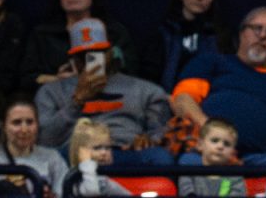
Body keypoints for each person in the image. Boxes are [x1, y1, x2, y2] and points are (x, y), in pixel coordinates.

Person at [170, 7, 266, 163]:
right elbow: (182, 100)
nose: (262, 35)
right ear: (242, 34)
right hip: (211, 155)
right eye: (256, 28)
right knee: (189, 162)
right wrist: (214, 134)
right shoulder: (212, 62)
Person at [34, 19, 173, 167]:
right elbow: (45, 140)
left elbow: (161, 131)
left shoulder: (146, 90)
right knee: (54, 160)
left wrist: (150, 139)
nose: (90, 61)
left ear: (111, 53)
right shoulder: (51, 91)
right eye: (83, 56)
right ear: (74, 59)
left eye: (97, 53)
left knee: (160, 157)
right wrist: (76, 102)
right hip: (74, 155)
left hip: (126, 151)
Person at [21, 0, 137, 94]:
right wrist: (56, 79)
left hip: (109, 98)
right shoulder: (42, 35)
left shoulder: (115, 32)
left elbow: (131, 74)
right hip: (58, 100)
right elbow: (26, 79)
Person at [0, 96, 69, 197]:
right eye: (17, 123)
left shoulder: (52, 158)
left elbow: (66, 193)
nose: (24, 129)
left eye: (30, 122)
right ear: (4, 126)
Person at [139, 0, 229, 93]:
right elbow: (148, 78)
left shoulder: (219, 36)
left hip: (208, 103)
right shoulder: (163, 33)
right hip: (166, 102)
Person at [177, 118, 245, 197]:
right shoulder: (188, 172)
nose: (220, 146)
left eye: (227, 144)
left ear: (232, 152)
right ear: (200, 145)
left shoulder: (235, 178)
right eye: (214, 140)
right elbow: (186, 192)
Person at [63, 118, 130, 196]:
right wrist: (87, 163)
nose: (104, 152)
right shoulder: (75, 178)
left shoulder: (106, 179)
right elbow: (92, 192)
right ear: (81, 152)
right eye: (97, 148)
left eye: (107, 148)